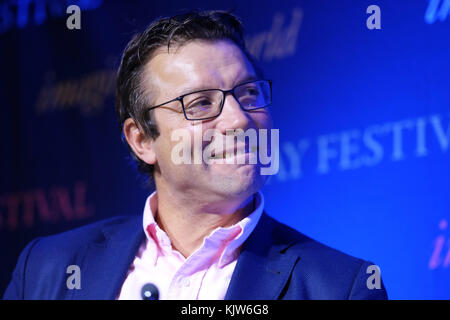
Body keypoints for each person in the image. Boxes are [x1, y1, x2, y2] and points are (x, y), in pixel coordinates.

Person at [3, 10, 387, 300]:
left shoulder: (338, 287)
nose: (238, 120)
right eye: (201, 103)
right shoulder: (48, 267)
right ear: (142, 140)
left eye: (249, 94)